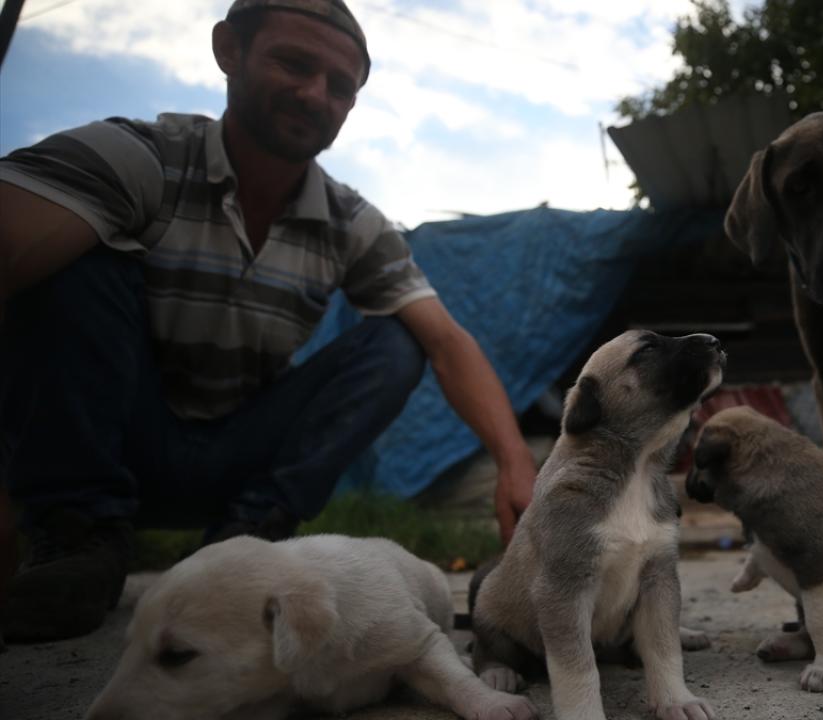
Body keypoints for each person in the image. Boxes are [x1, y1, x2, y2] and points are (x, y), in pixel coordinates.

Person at [0, 0, 536, 642]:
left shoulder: (350, 223)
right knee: (74, 258)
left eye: (341, 87)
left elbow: (447, 344)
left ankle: (246, 540)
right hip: (117, 437)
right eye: (294, 63)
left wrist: (515, 463)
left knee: (398, 343)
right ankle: (79, 533)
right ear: (229, 50)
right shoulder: (141, 159)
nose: (316, 95)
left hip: (236, 453)